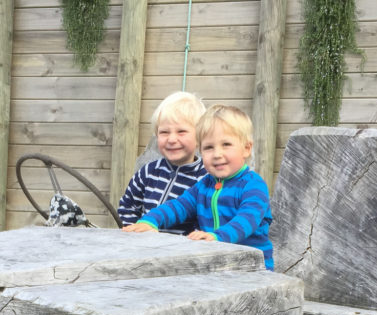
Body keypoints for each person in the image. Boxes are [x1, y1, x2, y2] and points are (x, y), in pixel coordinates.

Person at [122, 104, 273, 270]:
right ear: (201, 151)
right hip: (214, 266)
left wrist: (217, 237)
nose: (217, 154)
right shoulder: (204, 185)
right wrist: (151, 220)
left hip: (252, 267)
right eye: (209, 147)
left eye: (226, 144)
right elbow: (178, 206)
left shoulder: (253, 186)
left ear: (246, 149)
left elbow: (246, 220)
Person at [117, 92, 207, 234]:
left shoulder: (205, 178)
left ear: (199, 137)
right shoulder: (148, 172)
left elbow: (205, 222)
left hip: (183, 247)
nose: (171, 139)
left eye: (181, 131)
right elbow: (128, 206)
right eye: (164, 132)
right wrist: (134, 231)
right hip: (143, 243)